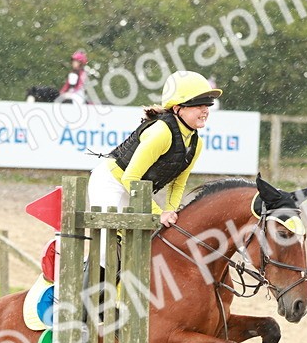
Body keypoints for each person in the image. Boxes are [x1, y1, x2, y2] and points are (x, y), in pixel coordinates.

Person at [87, 69, 221, 229]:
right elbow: (130, 178)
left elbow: (178, 184)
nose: (205, 110)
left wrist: (170, 212)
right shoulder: (161, 132)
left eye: (207, 105)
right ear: (178, 109)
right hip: (110, 182)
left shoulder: (196, 143)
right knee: (107, 246)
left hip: (135, 189)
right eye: (198, 105)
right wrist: (159, 214)